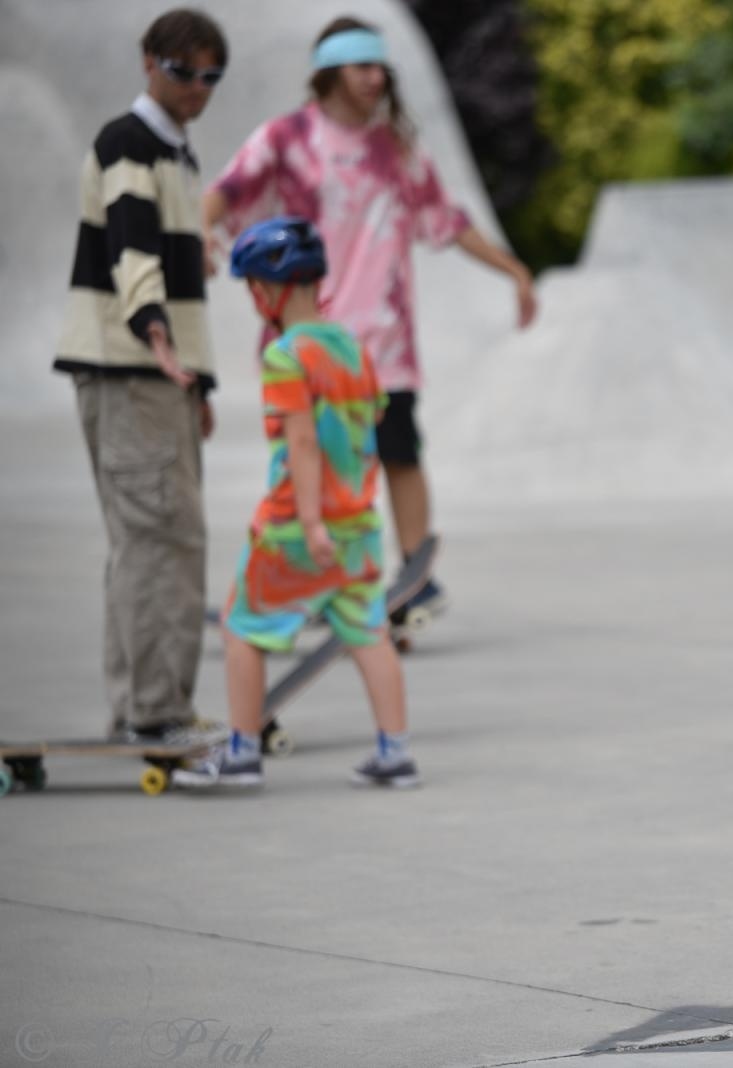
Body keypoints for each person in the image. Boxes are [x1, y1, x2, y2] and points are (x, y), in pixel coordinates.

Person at [201, 14, 537, 630]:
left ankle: (416, 575)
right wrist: (199, 231)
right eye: (363, 67)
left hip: (384, 342)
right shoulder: (287, 138)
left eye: (381, 68)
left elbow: (448, 220)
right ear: (331, 72)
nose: (375, 79)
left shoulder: (396, 151)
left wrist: (512, 268)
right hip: (304, 342)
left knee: (399, 452)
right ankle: (313, 578)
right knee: (308, 460)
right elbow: (224, 190)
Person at [174, 216, 419, 791]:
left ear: (266, 291)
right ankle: (395, 752)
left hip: (296, 525)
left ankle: (240, 753)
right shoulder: (352, 349)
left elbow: (302, 439)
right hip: (358, 522)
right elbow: (371, 424)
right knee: (369, 633)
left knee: (240, 628)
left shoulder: (286, 355)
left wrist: (309, 521)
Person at [54, 8, 228, 744]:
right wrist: (153, 330)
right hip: (134, 365)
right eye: (182, 70)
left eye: (210, 76)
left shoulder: (176, 153)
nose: (196, 88)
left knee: (146, 538)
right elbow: (132, 248)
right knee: (164, 537)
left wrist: (199, 383)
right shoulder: (131, 144)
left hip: (159, 376)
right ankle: (155, 710)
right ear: (148, 62)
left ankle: (139, 705)